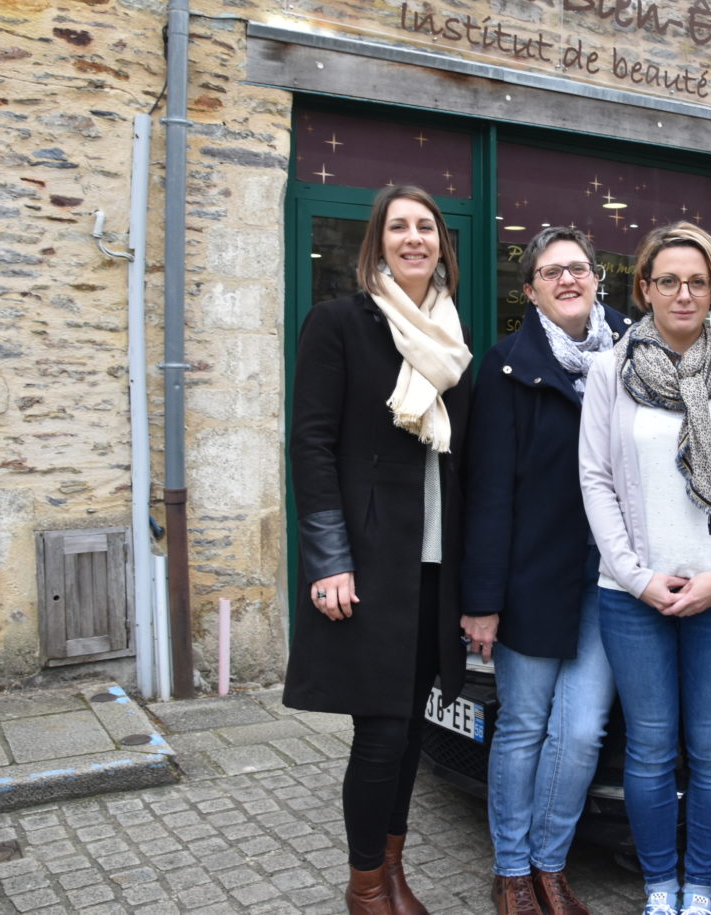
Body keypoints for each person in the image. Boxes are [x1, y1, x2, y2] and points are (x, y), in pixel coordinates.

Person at [284, 185, 473, 915]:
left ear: (442, 244)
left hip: (434, 563)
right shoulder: (339, 322)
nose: (413, 237)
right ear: (379, 243)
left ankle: (393, 873)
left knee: (410, 729)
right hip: (368, 562)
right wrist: (328, 557)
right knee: (381, 730)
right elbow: (311, 444)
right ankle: (366, 885)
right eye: (399, 226)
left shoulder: (453, 339)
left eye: (426, 226)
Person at [579, 222, 711, 915]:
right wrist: (636, 576)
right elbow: (595, 480)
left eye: (698, 281)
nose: (683, 293)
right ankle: (660, 887)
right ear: (645, 288)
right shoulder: (610, 372)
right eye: (668, 280)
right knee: (651, 748)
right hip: (633, 596)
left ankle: (701, 890)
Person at [461, 228, 633, 915]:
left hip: (611, 576)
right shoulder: (507, 367)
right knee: (525, 723)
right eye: (551, 271)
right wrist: (482, 600)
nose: (568, 279)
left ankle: (550, 864)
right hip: (532, 576)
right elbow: (488, 491)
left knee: (583, 729)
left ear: (597, 279)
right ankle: (511, 872)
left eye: (579, 268)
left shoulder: (635, 353)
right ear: (530, 290)